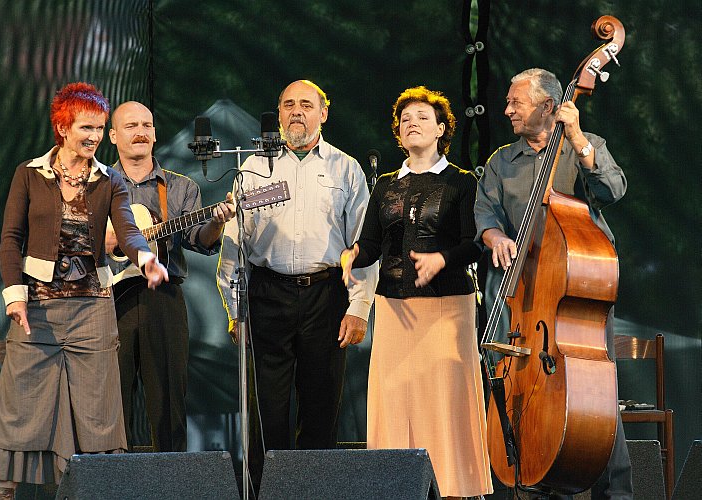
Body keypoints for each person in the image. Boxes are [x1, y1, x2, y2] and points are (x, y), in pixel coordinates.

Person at [0, 83, 169, 500]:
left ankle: (91, 493)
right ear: (63, 127)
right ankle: (5, 493)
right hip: (38, 311)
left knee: (97, 414)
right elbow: (11, 238)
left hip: (92, 311)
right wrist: (14, 295)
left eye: (100, 128)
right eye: (87, 127)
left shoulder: (109, 180)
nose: (95, 137)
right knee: (20, 408)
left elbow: (126, 230)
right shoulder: (29, 175)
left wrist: (145, 259)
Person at [474, 68, 631, 499]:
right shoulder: (501, 161)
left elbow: (613, 190)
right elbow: (484, 214)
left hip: (579, 288)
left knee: (595, 392)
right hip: (526, 299)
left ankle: (616, 494)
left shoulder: (584, 145)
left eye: (516, 103)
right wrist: (495, 236)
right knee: (526, 392)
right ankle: (535, 483)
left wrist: (578, 137)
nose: (507, 110)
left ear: (548, 107)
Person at [216, 80, 378, 490]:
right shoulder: (253, 170)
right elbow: (234, 246)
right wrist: (237, 313)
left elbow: (364, 244)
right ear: (278, 114)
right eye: (288, 104)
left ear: (324, 113)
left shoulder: (346, 168)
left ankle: (313, 493)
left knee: (321, 409)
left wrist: (358, 306)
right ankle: (267, 494)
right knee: (266, 412)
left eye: (307, 104)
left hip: (326, 296)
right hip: (268, 297)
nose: (296, 112)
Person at [340, 86, 493, 499]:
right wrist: (352, 255)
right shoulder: (387, 185)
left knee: (444, 400)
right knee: (393, 399)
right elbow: (371, 244)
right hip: (394, 308)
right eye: (406, 118)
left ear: (442, 129)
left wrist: (442, 259)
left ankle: (457, 489)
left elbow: (474, 242)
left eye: (423, 117)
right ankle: (396, 487)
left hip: (447, 307)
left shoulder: (461, 182)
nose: (413, 123)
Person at [106, 101, 234, 452]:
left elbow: (201, 241)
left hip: (162, 298)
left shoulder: (179, 188)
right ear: (113, 135)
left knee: (168, 404)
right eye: (131, 125)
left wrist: (218, 221)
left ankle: (171, 481)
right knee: (110, 403)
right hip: (107, 300)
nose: (141, 132)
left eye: (147, 125)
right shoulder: (97, 186)